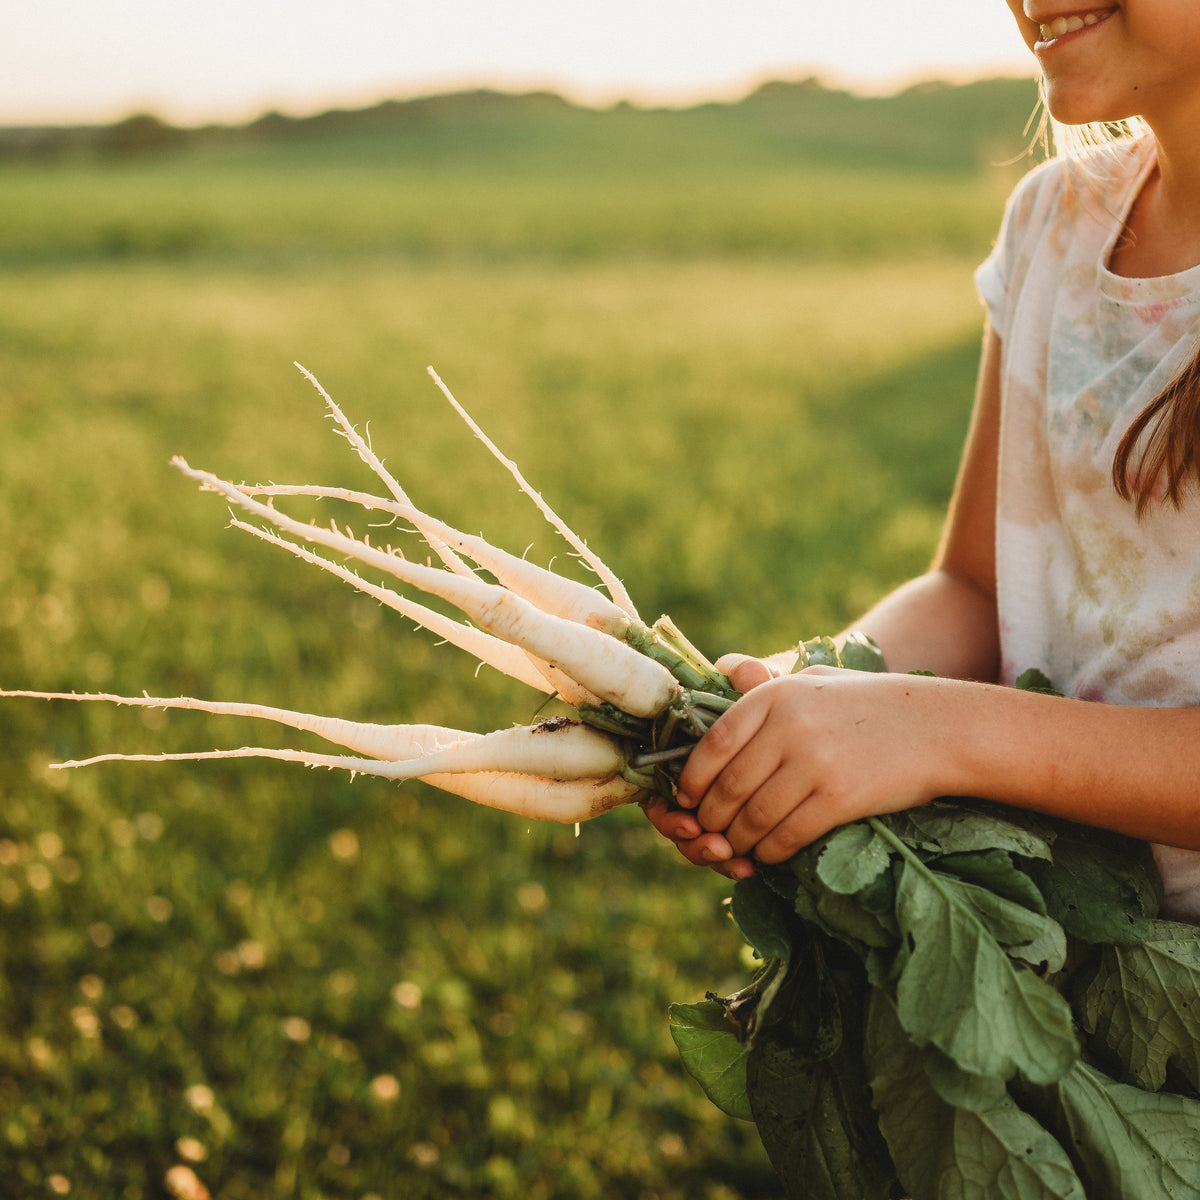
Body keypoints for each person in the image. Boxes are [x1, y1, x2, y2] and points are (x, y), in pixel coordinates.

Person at [644, 0, 1200, 924]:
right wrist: (806, 692)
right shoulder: (1052, 225)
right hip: (1059, 940)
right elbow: (975, 590)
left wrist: (937, 732)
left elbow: (946, 725)